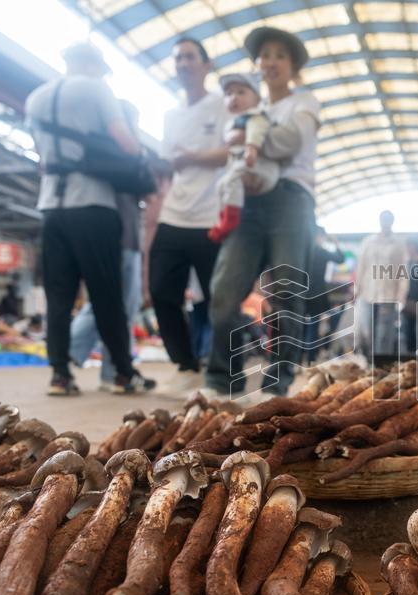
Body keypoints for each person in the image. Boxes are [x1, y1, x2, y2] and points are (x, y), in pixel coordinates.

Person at [24, 42, 154, 396]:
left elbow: (41, 158)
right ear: (95, 65)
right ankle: (123, 374)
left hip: (51, 207)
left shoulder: (36, 98)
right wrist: (140, 156)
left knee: (58, 297)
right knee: (106, 294)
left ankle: (60, 375)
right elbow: (126, 143)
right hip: (94, 204)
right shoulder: (97, 89)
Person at [204, 27, 321, 398]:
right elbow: (237, 149)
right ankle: (221, 379)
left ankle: (277, 382)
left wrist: (248, 136)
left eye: (280, 56)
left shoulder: (304, 102)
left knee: (286, 289)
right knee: (224, 291)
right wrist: (246, 137)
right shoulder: (256, 108)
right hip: (250, 202)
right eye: (265, 55)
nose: (271, 62)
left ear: (293, 67)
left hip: (291, 199)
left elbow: (290, 142)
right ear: (257, 64)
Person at [149, 37, 230, 397]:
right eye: (178, 58)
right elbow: (170, 164)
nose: (183, 63)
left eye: (190, 57)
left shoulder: (222, 105)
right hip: (174, 213)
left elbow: (233, 151)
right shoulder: (171, 115)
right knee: (161, 290)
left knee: (217, 299)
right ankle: (186, 366)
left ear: (206, 65)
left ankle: (222, 371)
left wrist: (194, 156)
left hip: (211, 215)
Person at [68, 100, 146, 391]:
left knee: (110, 303)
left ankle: (106, 367)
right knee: (116, 306)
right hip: (119, 237)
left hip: (120, 236)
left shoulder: (101, 151)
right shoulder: (117, 151)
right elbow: (144, 185)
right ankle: (107, 368)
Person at [207, 71, 280, 243]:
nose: (234, 97)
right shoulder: (234, 122)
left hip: (260, 167)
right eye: (228, 94)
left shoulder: (255, 116)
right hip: (246, 168)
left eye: (241, 92)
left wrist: (251, 148)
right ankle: (223, 218)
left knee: (231, 180)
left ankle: (230, 220)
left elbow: (256, 132)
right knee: (221, 185)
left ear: (257, 98)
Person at [354, 210, 408, 359]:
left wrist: (401, 296)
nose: (385, 222)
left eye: (388, 219)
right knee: (367, 332)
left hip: (388, 295)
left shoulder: (398, 245)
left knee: (384, 335)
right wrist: (357, 289)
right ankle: (369, 363)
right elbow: (361, 267)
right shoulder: (368, 242)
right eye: (383, 219)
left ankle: (382, 364)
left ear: (392, 221)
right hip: (367, 294)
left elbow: (402, 272)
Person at [303, 226, 345, 364]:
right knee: (315, 325)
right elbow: (340, 259)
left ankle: (301, 358)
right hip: (317, 293)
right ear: (319, 236)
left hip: (302, 293)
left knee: (304, 325)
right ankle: (311, 358)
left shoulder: (304, 251)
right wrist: (336, 243)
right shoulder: (321, 252)